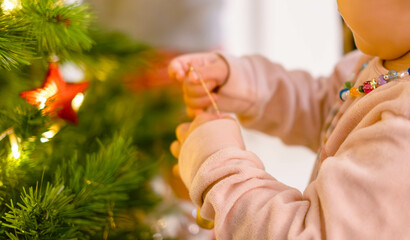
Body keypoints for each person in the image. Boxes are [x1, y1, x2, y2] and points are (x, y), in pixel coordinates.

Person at [168, 0, 410, 238]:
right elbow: (333, 112)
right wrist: (248, 85)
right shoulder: (385, 61)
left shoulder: (403, 126)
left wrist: (218, 168)